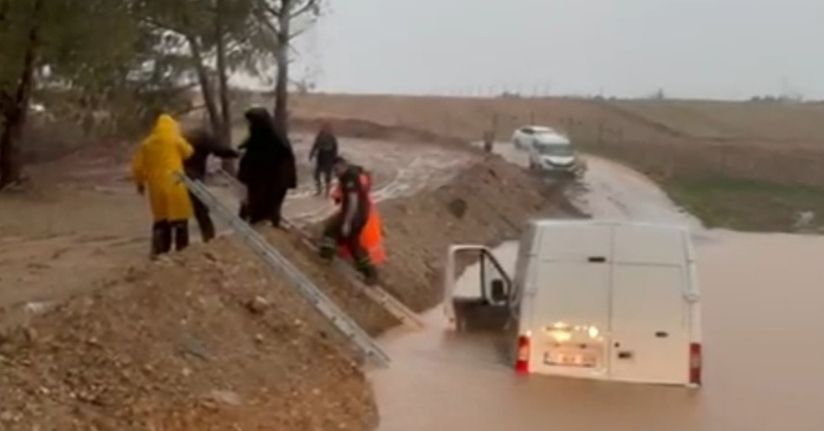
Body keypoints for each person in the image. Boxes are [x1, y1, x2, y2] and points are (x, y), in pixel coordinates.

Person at [132, 114, 195, 257]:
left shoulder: (147, 144)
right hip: (176, 184)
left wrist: (140, 183)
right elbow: (188, 152)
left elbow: (137, 167)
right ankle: (182, 253)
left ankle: (159, 252)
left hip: (157, 187)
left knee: (161, 219)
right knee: (180, 219)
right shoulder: (175, 140)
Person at [320, 157, 382, 285]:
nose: (336, 173)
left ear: (343, 165)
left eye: (337, 170)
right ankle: (370, 273)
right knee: (353, 243)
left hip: (354, 215)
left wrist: (347, 222)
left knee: (330, 231)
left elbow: (353, 200)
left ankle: (325, 257)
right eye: (334, 171)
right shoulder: (354, 172)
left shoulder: (349, 177)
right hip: (362, 213)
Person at [237, 107, 297, 227]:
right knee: (260, 209)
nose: (250, 125)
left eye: (251, 122)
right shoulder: (266, 133)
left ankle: (266, 230)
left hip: (273, 180)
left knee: (266, 209)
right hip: (265, 180)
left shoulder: (271, 138)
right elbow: (249, 146)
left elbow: (259, 157)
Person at [182, 128, 239, 242]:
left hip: (178, 177)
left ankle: (181, 244)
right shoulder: (204, 139)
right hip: (194, 178)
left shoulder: (182, 138)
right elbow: (220, 150)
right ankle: (208, 238)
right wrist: (236, 153)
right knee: (201, 210)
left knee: (180, 213)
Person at [309, 122, 339, 196]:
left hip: (329, 157)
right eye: (324, 127)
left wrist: (334, 158)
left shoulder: (332, 137)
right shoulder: (320, 136)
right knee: (316, 174)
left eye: (326, 127)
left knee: (327, 176)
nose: (325, 129)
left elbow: (335, 148)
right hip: (321, 156)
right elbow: (315, 145)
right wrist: (311, 154)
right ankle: (319, 190)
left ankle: (327, 192)